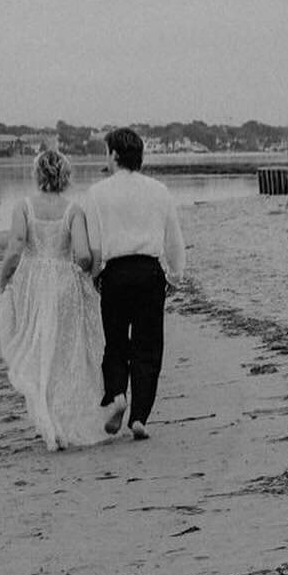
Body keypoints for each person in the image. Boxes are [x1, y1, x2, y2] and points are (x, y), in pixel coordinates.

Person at [0, 148, 112, 451]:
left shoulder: (23, 207)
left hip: (33, 283)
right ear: (65, 176)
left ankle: (49, 425)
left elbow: (16, 246)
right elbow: (85, 254)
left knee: (37, 349)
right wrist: (80, 272)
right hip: (64, 282)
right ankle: (61, 422)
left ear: (37, 174)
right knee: (62, 352)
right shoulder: (73, 209)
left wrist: (4, 278)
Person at [83, 127, 186, 441]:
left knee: (115, 342)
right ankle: (139, 416)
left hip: (115, 273)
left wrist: (96, 274)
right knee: (148, 346)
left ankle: (117, 396)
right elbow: (174, 239)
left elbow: (93, 243)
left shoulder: (97, 193)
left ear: (114, 155)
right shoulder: (159, 190)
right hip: (148, 272)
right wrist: (175, 276)